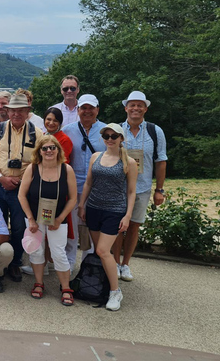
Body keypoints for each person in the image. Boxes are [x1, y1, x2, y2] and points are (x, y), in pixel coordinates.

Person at [0, 93, 43, 283]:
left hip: (21, 189)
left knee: (18, 227)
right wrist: (1, 177)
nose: (16, 114)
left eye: (21, 110)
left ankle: (15, 262)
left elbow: (40, 161)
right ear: (7, 111)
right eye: (13, 110)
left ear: (27, 112)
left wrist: (23, 179)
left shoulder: (37, 133)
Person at [78, 123, 138, 311]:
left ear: (121, 138)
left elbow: (131, 191)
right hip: (94, 208)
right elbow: (88, 182)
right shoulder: (96, 157)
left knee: (104, 251)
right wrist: (82, 204)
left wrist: (128, 216)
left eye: (114, 136)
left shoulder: (129, 162)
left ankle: (115, 291)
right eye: (106, 136)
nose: (110, 139)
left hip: (114, 210)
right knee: (100, 251)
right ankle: (102, 283)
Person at [113, 91, 167, 282]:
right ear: (126, 107)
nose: (135, 108)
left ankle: (125, 264)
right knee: (118, 227)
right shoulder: (117, 130)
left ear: (145, 108)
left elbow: (161, 161)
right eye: (132, 105)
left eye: (139, 105)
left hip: (142, 188)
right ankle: (114, 263)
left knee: (134, 226)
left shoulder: (155, 131)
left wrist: (159, 190)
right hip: (118, 188)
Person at [17, 136, 78, 305]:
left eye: (52, 148)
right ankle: (39, 283)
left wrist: (59, 219)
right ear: (39, 151)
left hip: (57, 219)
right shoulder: (33, 168)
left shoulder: (67, 170)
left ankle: (66, 287)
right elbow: (21, 195)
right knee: (36, 250)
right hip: (34, 218)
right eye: (45, 148)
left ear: (58, 150)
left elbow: (73, 198)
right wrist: (30, 219)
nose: (49, 151)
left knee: (58, 252)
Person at [62, 94, 106, 270]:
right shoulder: (68, 130)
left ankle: (88, 262)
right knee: (72, 225)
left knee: (91, 226)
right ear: (78, 110)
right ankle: (70, 260)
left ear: (97, 110)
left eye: (91, 108)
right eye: (83, 108)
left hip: (96, 188)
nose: (87, 111)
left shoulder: (106, 131)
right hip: (73, 186)